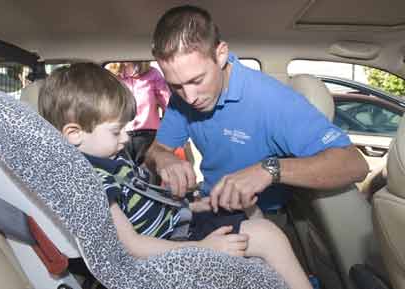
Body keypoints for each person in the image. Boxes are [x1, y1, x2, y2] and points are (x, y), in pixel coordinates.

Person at [38, 62, 312, 289]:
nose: (126, 137)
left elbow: (146, 204)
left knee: (253, 213)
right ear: (73, 134)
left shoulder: (111, 159)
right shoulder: (92, 181)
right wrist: (202, 249)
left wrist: (197, 205)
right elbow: (131, 245)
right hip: (169, 246)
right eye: (116, 131)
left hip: (176, 225)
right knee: (266, 235)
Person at [146, 5, 369, 214]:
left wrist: (268, 170)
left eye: (197, 80)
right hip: (208, 207)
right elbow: (155, 151)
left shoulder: (273, 100)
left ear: (221, 54)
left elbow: (354, 164)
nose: (190, 97)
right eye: (176, 85)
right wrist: (165, 159)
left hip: (264, 217)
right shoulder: (181, 98)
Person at [116, 61, 171, 165]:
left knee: (149, 175)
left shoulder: (153, 74)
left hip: (148, 135)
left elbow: (167, 103)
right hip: (122, 134)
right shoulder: (116, 76)